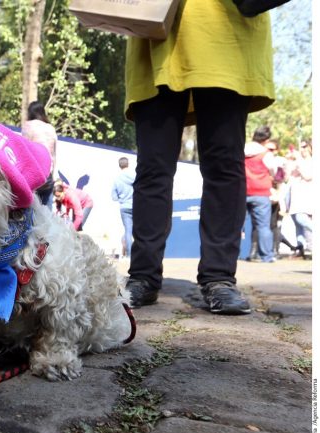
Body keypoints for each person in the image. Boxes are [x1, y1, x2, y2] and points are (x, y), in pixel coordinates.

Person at [123, 0, 275, 314]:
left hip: (226, 32)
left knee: (224, 164)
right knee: (153, 166)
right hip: (157, 26)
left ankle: (219, 277)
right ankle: (142, 276)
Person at [243, 126, 278, 263]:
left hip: (243, 190)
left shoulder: (242, 149)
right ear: (266, 139)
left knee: (237, 224)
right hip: (261, 192)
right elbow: (273, 171)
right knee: (263, 225)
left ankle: (234, 254)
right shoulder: (266, 154)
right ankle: (266, 256)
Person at [21, 101, 58, 209]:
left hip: (34, 173)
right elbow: (54, 155)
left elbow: (24, 150)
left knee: (29, 210)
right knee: (46, 211)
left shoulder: (28, 126)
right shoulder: (50, 128)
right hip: (48, 175)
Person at [286, 144, 312, 257]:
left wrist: (299, 164)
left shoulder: (313, 161)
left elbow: (308, 176)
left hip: (305, 195)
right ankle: (300, 249)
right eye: (301, 147)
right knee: (297, 223)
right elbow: (287, 178)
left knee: (301, 219)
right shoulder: (297, 162)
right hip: (294, 195)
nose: (303, 149)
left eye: (305, 147)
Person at [111, 156, 135, 258]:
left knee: (128, 231)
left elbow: (114, 197)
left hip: (124, 207)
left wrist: (122, 200)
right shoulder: (134, 176)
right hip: (136, 206)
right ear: (128, 164)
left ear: (119, 165)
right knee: (139, 230)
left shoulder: (116, 179)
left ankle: (129, 255)